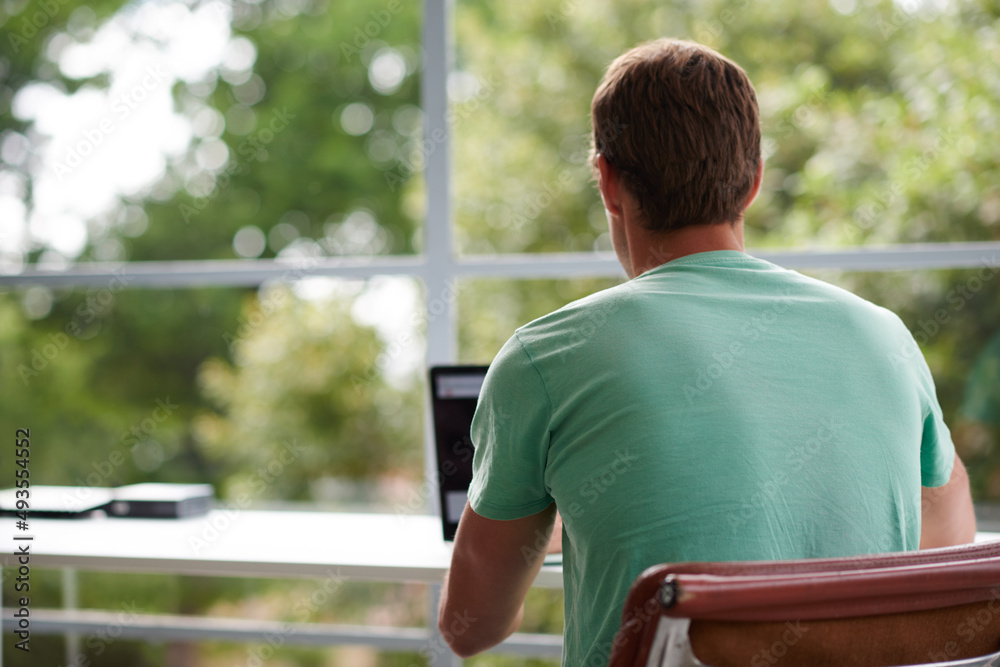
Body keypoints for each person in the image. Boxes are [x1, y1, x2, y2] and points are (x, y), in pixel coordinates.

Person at [437, 38, 977, 666]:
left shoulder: (548, 356)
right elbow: (948, 549)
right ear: (753, 183)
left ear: (608, 182)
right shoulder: (886, 337)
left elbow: (469, 628)